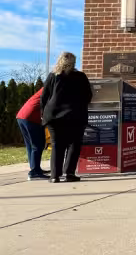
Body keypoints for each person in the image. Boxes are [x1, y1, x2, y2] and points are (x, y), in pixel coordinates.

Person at [41, 52, 93, 183]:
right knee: (74, 144)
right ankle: (69, 173)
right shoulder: (80, 77)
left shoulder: (53, 76)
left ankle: (54, 176)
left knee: (56, 144)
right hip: (75, 115)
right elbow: (88, 96)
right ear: (74, 62)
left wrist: (43, 113)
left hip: (54, 116)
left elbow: (44, 97)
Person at [16, 88, 49, 181]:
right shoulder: (54, 88)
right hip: (31, 117)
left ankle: (35, 168)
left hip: (22, 116)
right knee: (37, 144)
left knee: (31, 145)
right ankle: (34, 172)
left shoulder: (47, 87)